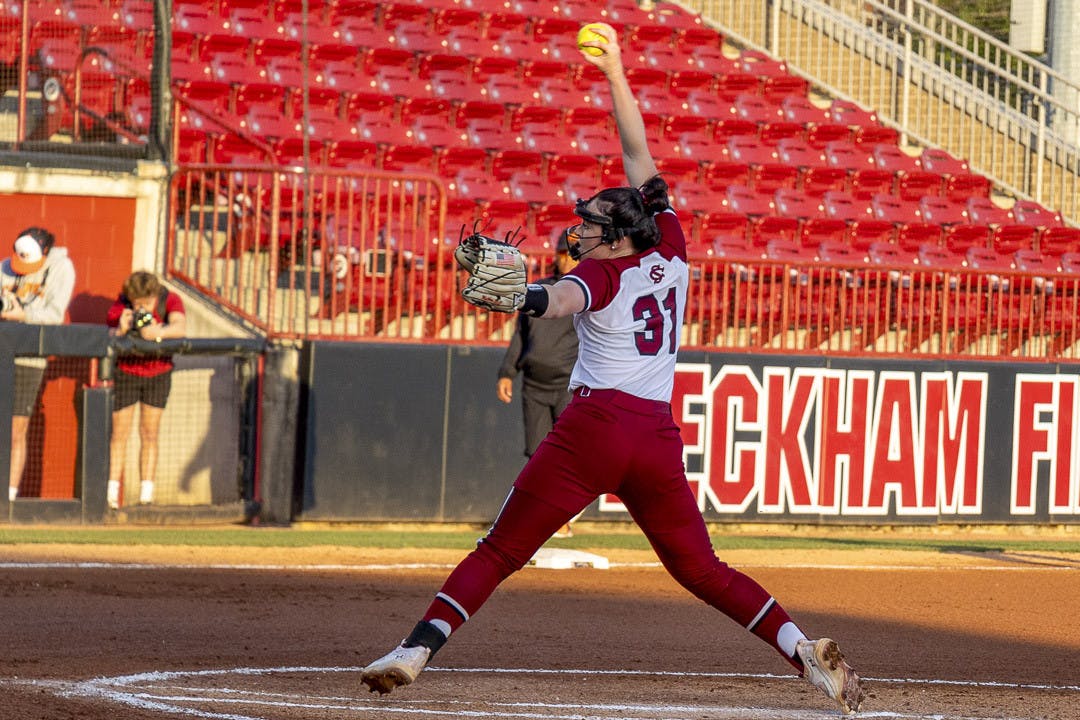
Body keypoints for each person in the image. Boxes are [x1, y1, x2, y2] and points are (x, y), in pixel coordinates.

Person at [360, 23, 865, 716]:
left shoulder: (603, 272)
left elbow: (562, 299)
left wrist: (527, 293)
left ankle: (414, 649)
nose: (582, 228)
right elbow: (638, 151)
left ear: (619, 233)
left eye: (593, 221)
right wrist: (617, 71)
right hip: (655, 437)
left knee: (501, 549)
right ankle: (806, 653)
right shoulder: (674, 244)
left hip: (594, 428)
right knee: (702, 570)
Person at [496, 230, 579, 538]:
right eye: (562, 254)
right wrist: (506, 372)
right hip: (534, 383)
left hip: (567, 385)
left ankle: (562, 515)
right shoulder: (539, 291)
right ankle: (539, 516)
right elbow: (520, 335)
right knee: (537, 453)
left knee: (567, 455)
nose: (566, 260)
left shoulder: (582, 295)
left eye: (571, 254)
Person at [1, 227, 75, 503]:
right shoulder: (5, 267)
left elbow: (54, 315)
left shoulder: (60, 268)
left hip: (28, 358)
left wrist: (23, 314)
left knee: (16, 429)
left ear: (44, 253)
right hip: (2, 352)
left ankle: (7, 497)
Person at [105, 271, 186, 508]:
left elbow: (180, 328)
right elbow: (108, 333)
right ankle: (111, 494)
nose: (141, 308)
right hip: (127, 371)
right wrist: (120, 329)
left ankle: (146, 495)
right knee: (119, 434)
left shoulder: (169, 300)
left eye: (146, 303)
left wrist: (157, 333)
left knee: (149, 432)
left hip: (158, 372)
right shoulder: (122, 304)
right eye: (137, 303)